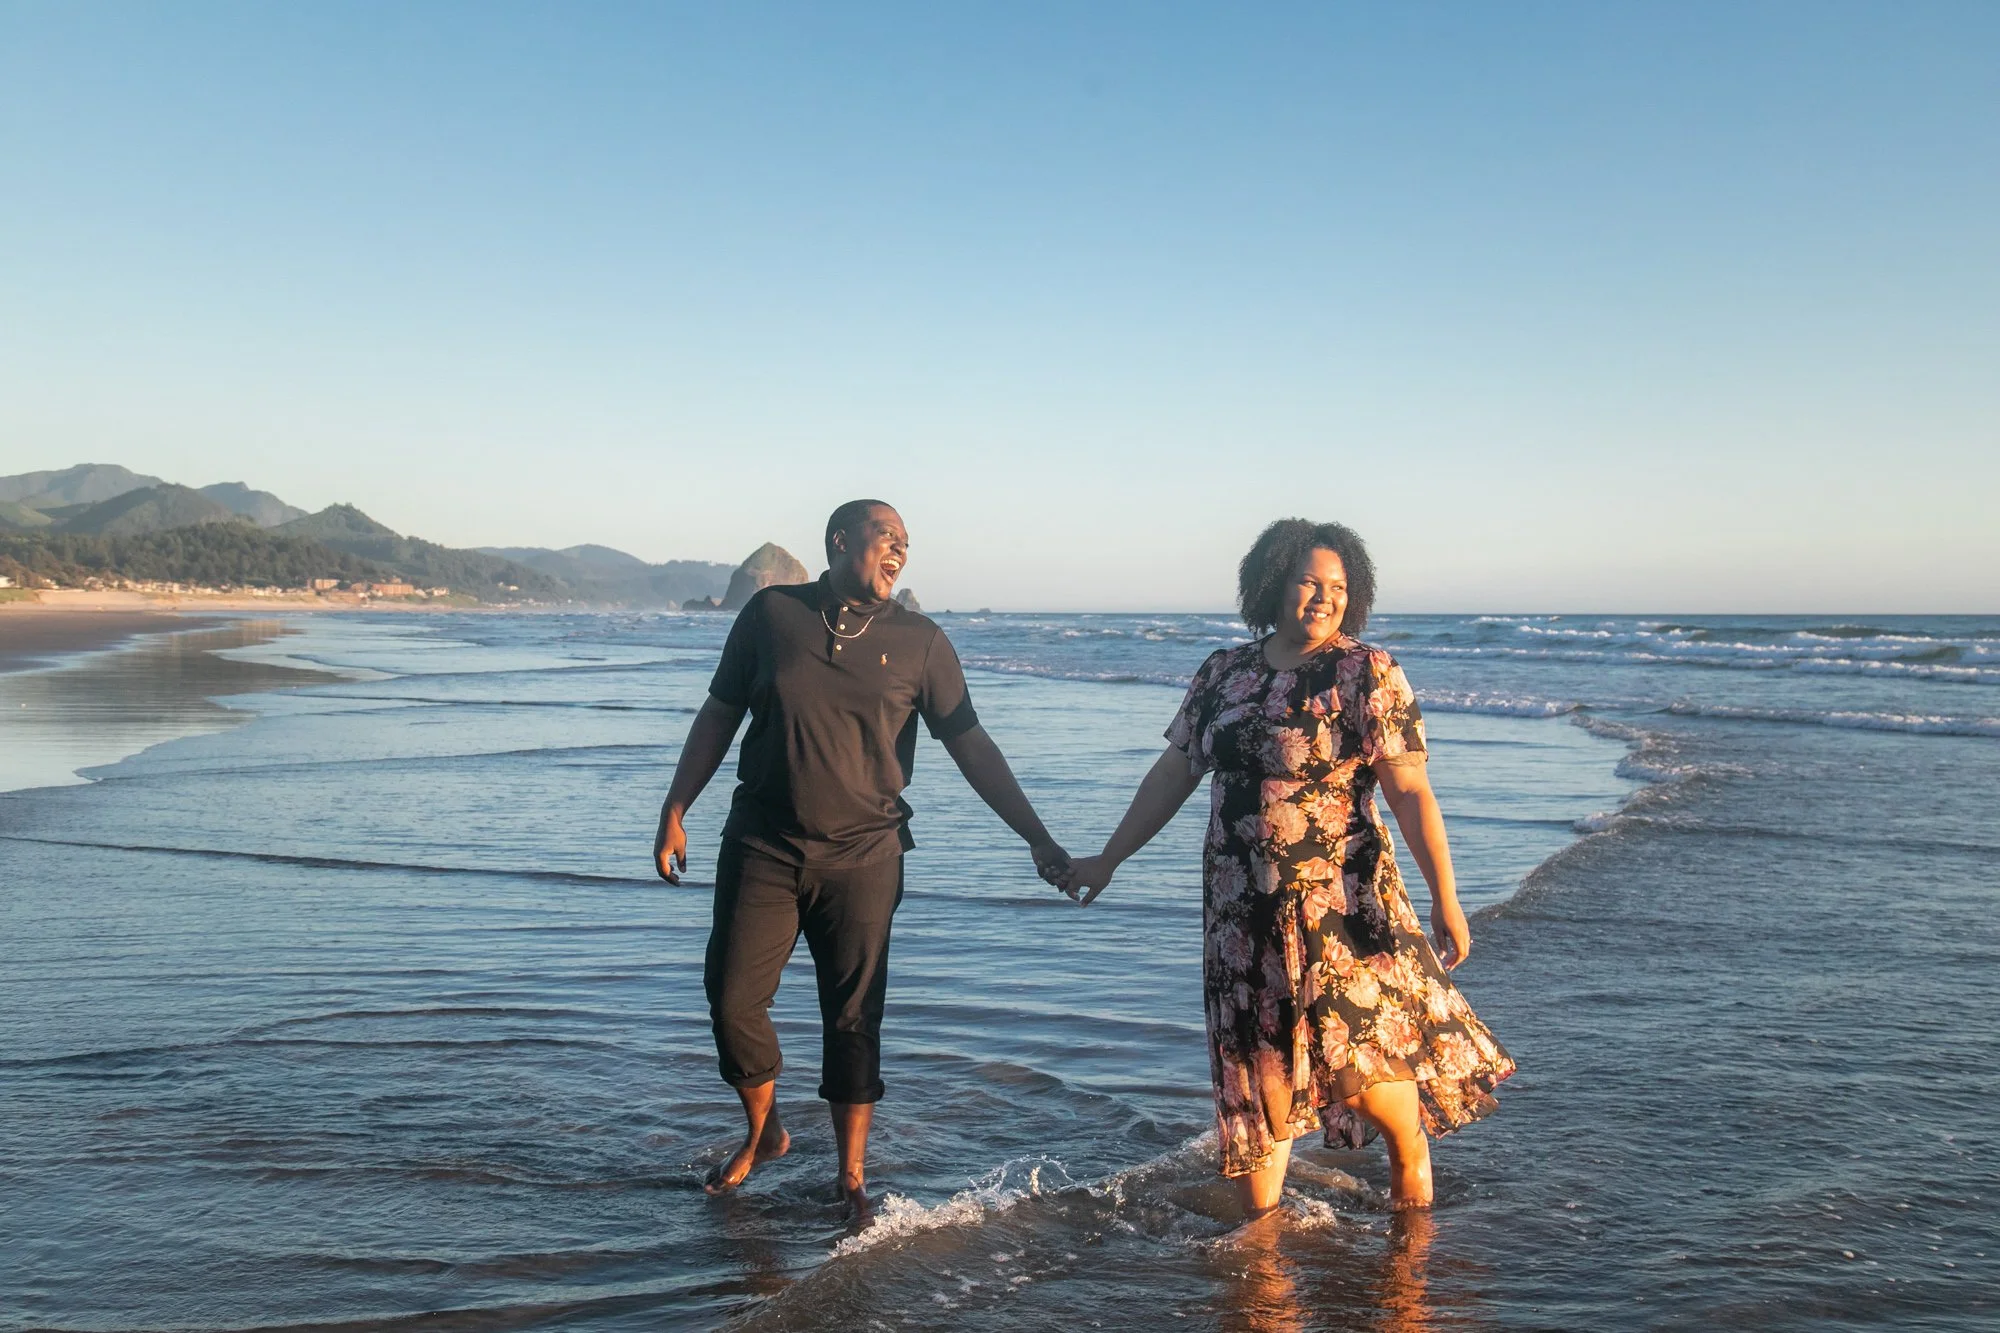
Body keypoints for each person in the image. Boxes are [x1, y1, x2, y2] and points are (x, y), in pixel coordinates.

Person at [1062, 519, 1514, 1215]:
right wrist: (1110, 857)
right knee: (1260, 1068)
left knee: (1356, 1066)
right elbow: (1175, 769)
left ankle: (1409, 1173)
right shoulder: (1224, 672)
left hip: (1342, 906)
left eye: (1338, 586)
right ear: (1272, 584)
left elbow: (1411, 790)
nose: (1323, 597)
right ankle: (1260, 1255)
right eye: (1309, 581)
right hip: (1242, 914)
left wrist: (1446, 899)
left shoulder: (1366, 673)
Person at [654, 499, 1070, 1221]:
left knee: (853, 1019)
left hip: (867, 856)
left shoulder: (921, 642)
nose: (901, 549)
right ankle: (766, 1129)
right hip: (762, 844)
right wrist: (675, 807)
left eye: (908, 541)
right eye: (888, 535)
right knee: (731, 1001)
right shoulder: (770, 616)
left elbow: (972, 744)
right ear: (841, 540)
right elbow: (719, 712)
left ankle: (850, 1175)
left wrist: (1036, 835)